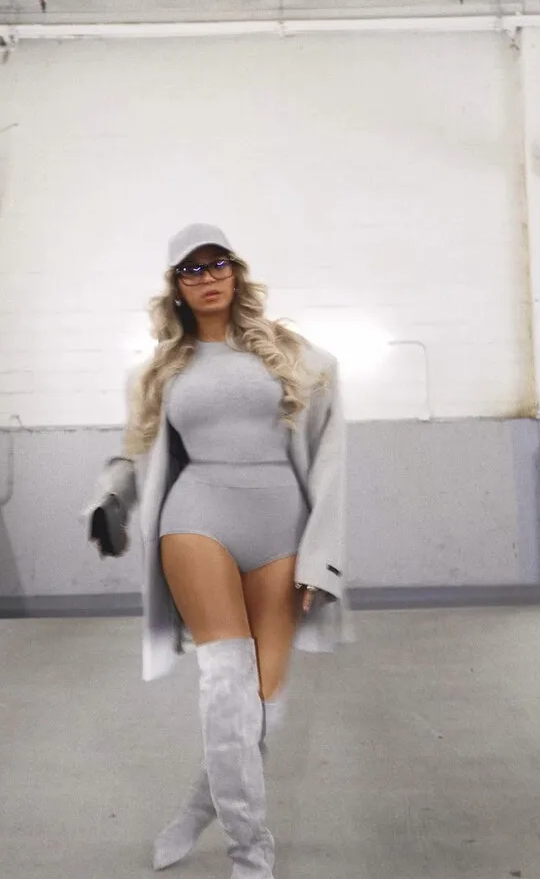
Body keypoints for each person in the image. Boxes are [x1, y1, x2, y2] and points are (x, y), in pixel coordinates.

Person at [84, 223, 349, 879]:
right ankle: (250, 853)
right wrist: (109, 497)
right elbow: (137, 452)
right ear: (176, 286)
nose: (207, 278)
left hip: (282, 527)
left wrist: (321, 557)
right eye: (191, 269)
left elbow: (331, 459)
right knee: (226, 686)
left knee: (262, 704)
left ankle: (194, 811)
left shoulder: (300, 356)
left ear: (236, 271)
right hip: (196, 517)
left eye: (217, 264)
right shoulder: (158, 371)